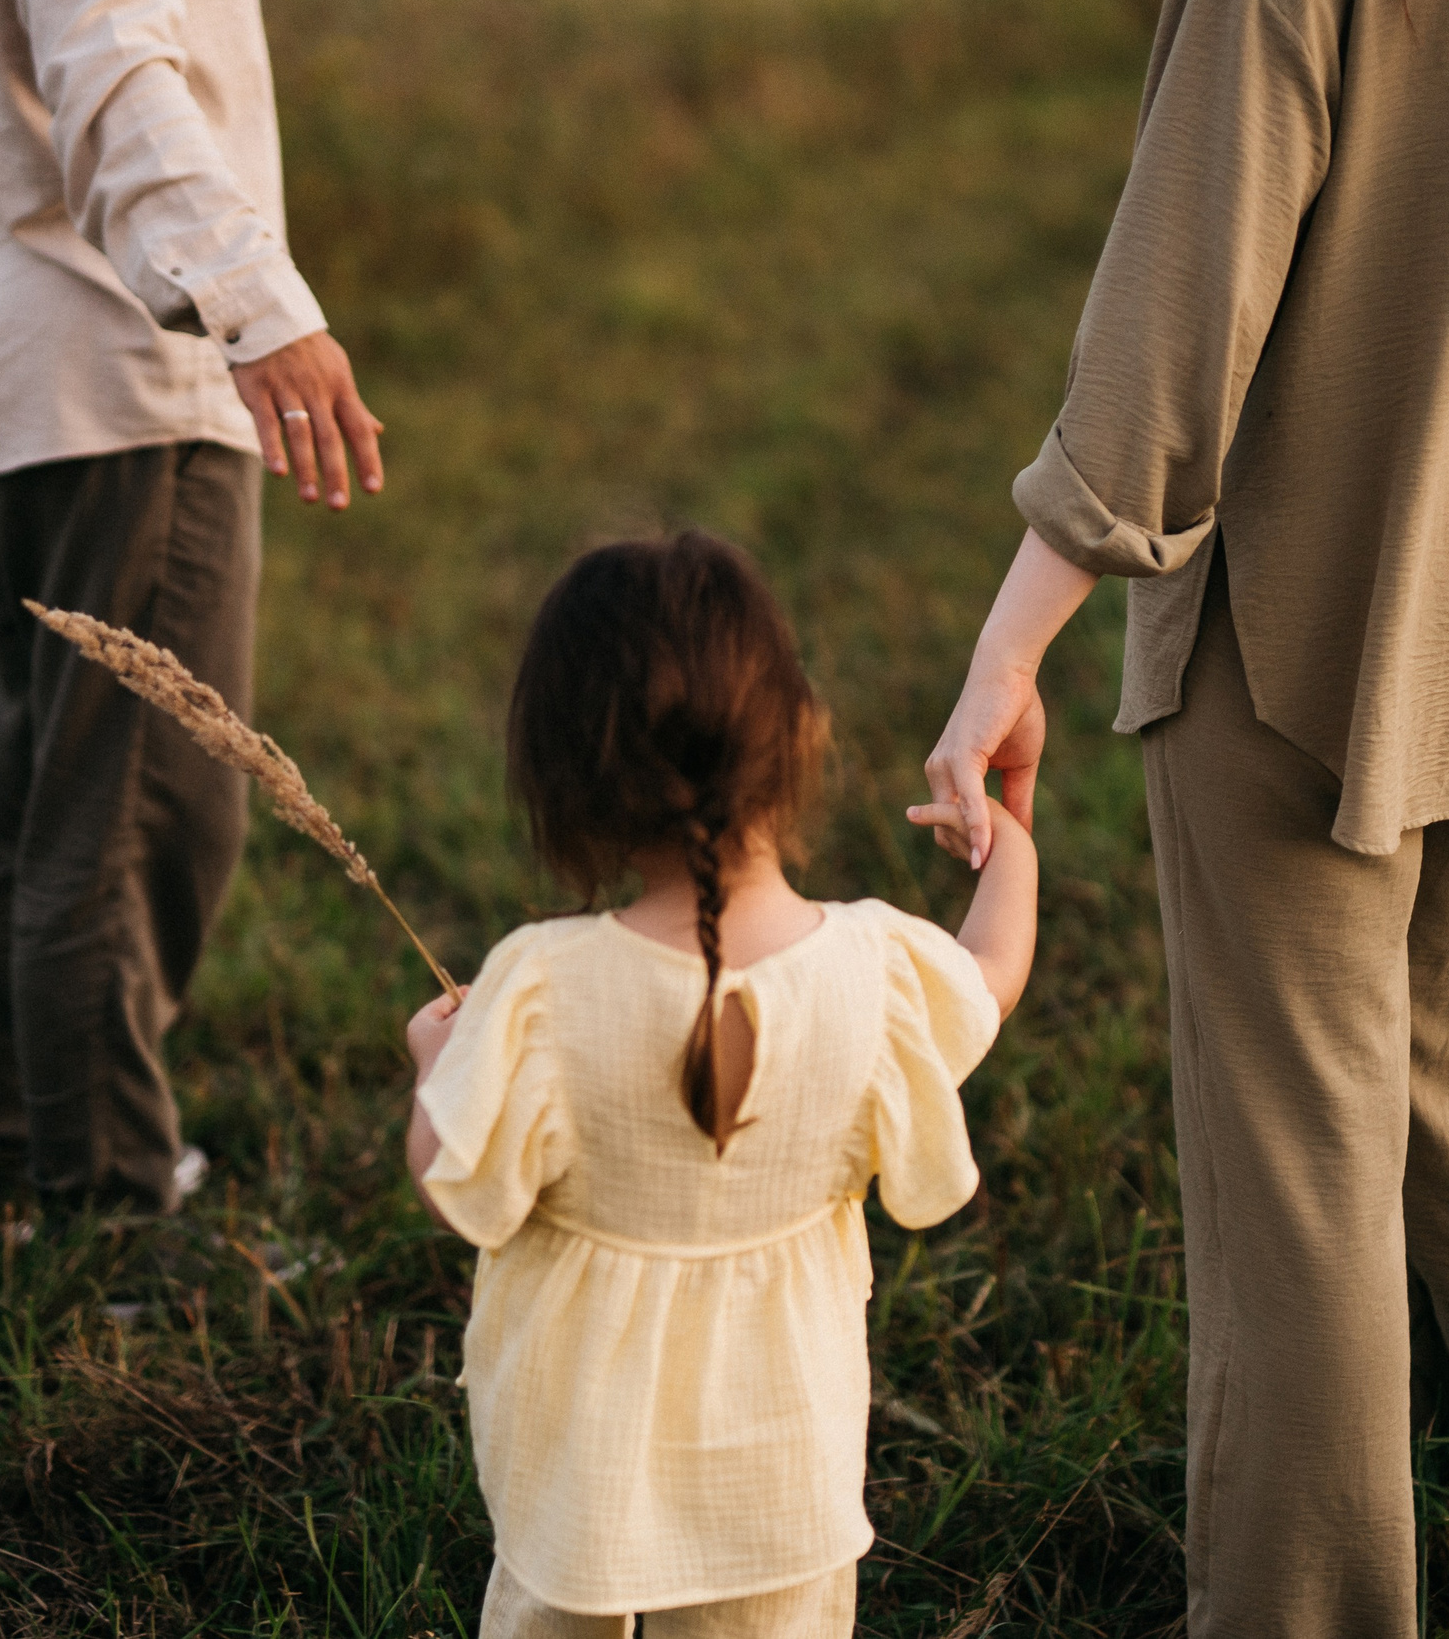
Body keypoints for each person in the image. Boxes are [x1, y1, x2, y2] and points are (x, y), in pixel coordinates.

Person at [919, 0, 1449, 1630]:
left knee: (1297, 1164)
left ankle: (1310, 1608)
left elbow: (1172, 324)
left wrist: (1009, 651)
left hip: (1315, 618)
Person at [399, 532, 1038, 1636]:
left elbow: (453, 1181)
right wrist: (1011, 824)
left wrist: (431, 1069)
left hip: (572, 1477)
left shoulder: (540, 987)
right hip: (782, 1475)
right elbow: (988, 977)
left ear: (561, 779)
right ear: (796, 738)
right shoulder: (875, 973)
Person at [0, 0, 386, 1211]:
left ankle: (37, 1153)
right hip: (123, 361)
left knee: (36, 784)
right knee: (132, 811)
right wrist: (254, 304)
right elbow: (110, 52)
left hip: (30, 349)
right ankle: (109, 1207)